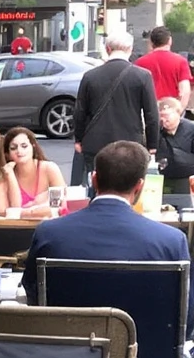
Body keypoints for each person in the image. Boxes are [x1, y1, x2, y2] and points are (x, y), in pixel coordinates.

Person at [22, 138, 193, 332]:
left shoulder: (49, 233)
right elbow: (185, 319)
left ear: (94, 179)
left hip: (67, 355)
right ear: (139, 187)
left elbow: (35, 302)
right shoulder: (171, 241)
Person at [72, 36, 160, 187]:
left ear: (107, 49)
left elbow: (80, 111)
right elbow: (151, 114)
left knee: (97, 185)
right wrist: (152, 145)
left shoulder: (90, 76)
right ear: (130, 49)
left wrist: (79, 139)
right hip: (130, 143)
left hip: (95, 142)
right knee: (127, 186)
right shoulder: (142, 76)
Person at [2, 125, 66, 210]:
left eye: (24, 146)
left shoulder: (50, 168)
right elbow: (14, 208)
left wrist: (34, 209)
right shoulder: (7, 173)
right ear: (7, 154)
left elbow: (59, 204)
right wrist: (10, 175)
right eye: (13, 148)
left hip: (51, 221)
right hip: (19, 223)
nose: (19, 151)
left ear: (33, 147)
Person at [134, 23, 194, 110]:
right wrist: (178, 112)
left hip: (148, 111)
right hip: (171, 110)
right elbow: (184, 91)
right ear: (170, 40)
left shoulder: (139, 63)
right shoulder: (180, 61)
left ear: (151, 42)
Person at [157, 98, 194, 205]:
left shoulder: (191, 129)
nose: (164, 120)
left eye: (167, 116)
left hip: (187, 179)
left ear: (178, 113)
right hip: (163, 178)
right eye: (161, 116)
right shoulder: (155, 131)